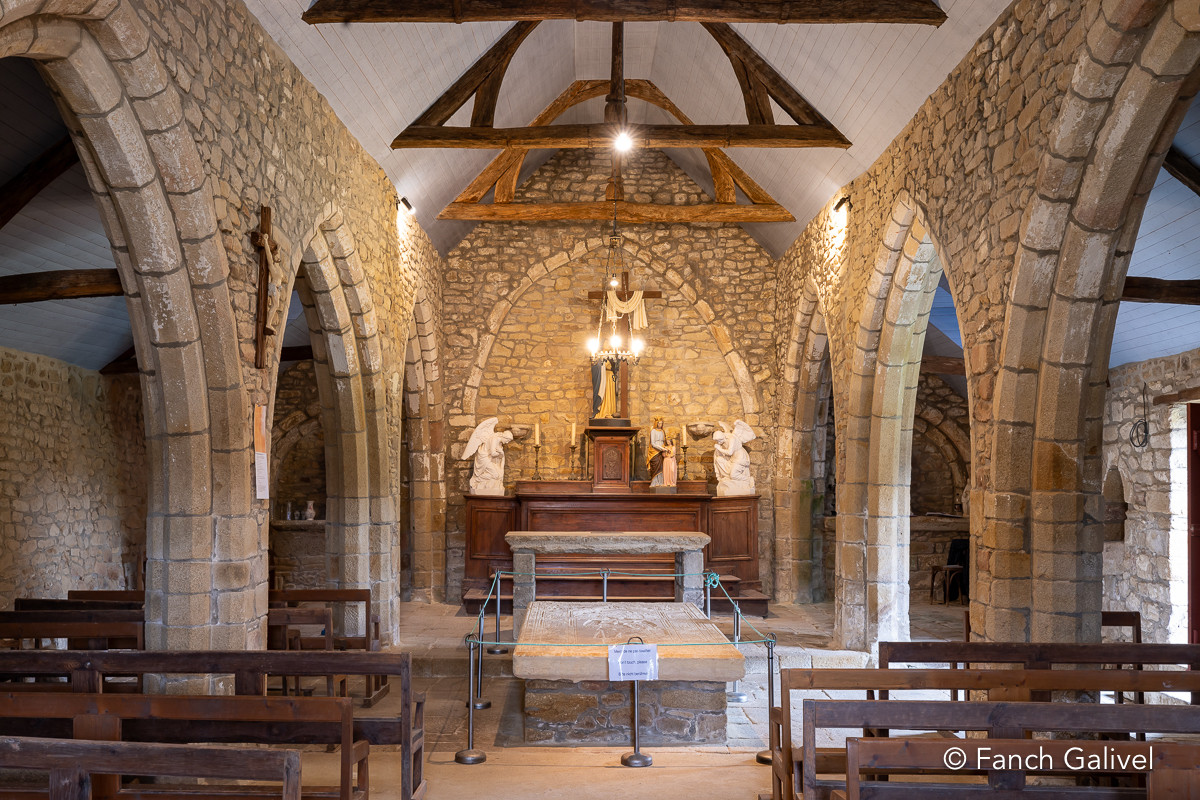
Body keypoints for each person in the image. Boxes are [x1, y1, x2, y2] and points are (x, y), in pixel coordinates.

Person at [462, 417, 514, 496]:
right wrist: (501, 453)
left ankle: (483, 483)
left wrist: (501, 454)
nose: (507, 442)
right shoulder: (495, 439)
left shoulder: (499, 441)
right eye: (507, 440)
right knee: (496, 475)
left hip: (489, 459)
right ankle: (477, 481)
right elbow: (493, 453)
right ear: (505, 437)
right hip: (484, 459)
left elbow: (497, 456)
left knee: (498, 475)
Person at [647, 416, 666, 485]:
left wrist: (664, 448)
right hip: (655, 452)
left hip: (661, 452)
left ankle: (660, 482)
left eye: (661, 423)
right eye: (659, 423)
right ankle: (655, 482)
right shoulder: (653, 431)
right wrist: (661, 448)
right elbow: (653, 443)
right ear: (656, 424)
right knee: (655, 467)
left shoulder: (662, 431)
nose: (660, 425)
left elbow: (664, 441)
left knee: (661, 468)